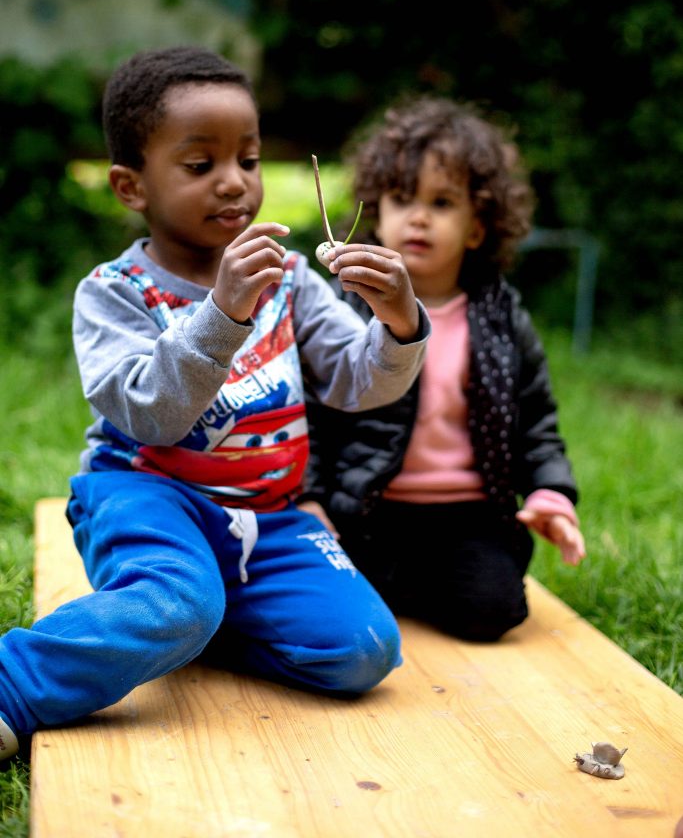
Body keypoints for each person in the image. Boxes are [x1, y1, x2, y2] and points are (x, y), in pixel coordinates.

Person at [0, 46, 431, 762]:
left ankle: (195, 628)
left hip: (269, 514)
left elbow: (360, 383)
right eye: (201, 165)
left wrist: (399, 322)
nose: (234, 181)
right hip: (148, 498)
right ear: (130, 186)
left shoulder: (291, 279)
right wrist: (223, 314)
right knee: (177, 601)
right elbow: (152, 416)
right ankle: (14, 686)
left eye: (249, 159)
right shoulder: (113, 293)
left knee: (363, 650)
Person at [301, 95, 586, 643]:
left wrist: (551, 495)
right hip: (364, 510)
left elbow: (537, 421)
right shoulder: (344, 309)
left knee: (494, 611)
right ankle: (390, 584)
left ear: (477, 228)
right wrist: (309, 497)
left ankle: (407, 585)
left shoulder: (502, 317)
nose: (419, 216)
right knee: (328, 610)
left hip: (468, 515)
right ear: (376, 215)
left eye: (442, 202)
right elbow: (310, 411)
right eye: (402, 198)